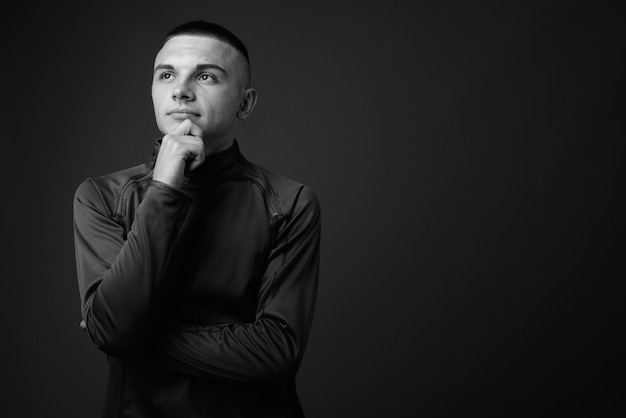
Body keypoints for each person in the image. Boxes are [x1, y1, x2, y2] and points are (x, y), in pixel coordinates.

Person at [73, 20, 321, 417]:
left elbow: (277, 352)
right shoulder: (102, 197)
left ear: (245, 102)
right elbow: (113, 329)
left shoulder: (289, 203)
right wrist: (165, 189)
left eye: (205, 75)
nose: (180, 90)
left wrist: (132, 339)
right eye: (166, 74)